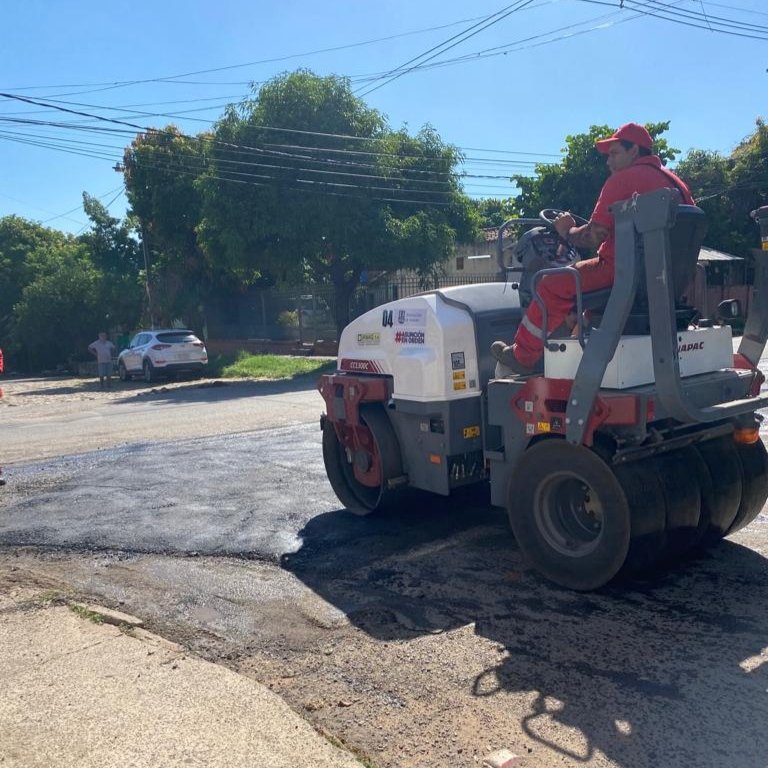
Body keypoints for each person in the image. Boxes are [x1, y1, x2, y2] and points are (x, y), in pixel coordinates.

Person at [493, 122, 695, 375]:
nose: (608, 161)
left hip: (623, 271)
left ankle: (522, 356)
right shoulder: (678, 185)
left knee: (550, 283)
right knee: (584, 296)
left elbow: (592, 237)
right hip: (664, 279)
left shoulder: (623, 180)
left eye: (614, 153)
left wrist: (566, 229)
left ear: (634, 151)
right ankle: (581, 333)